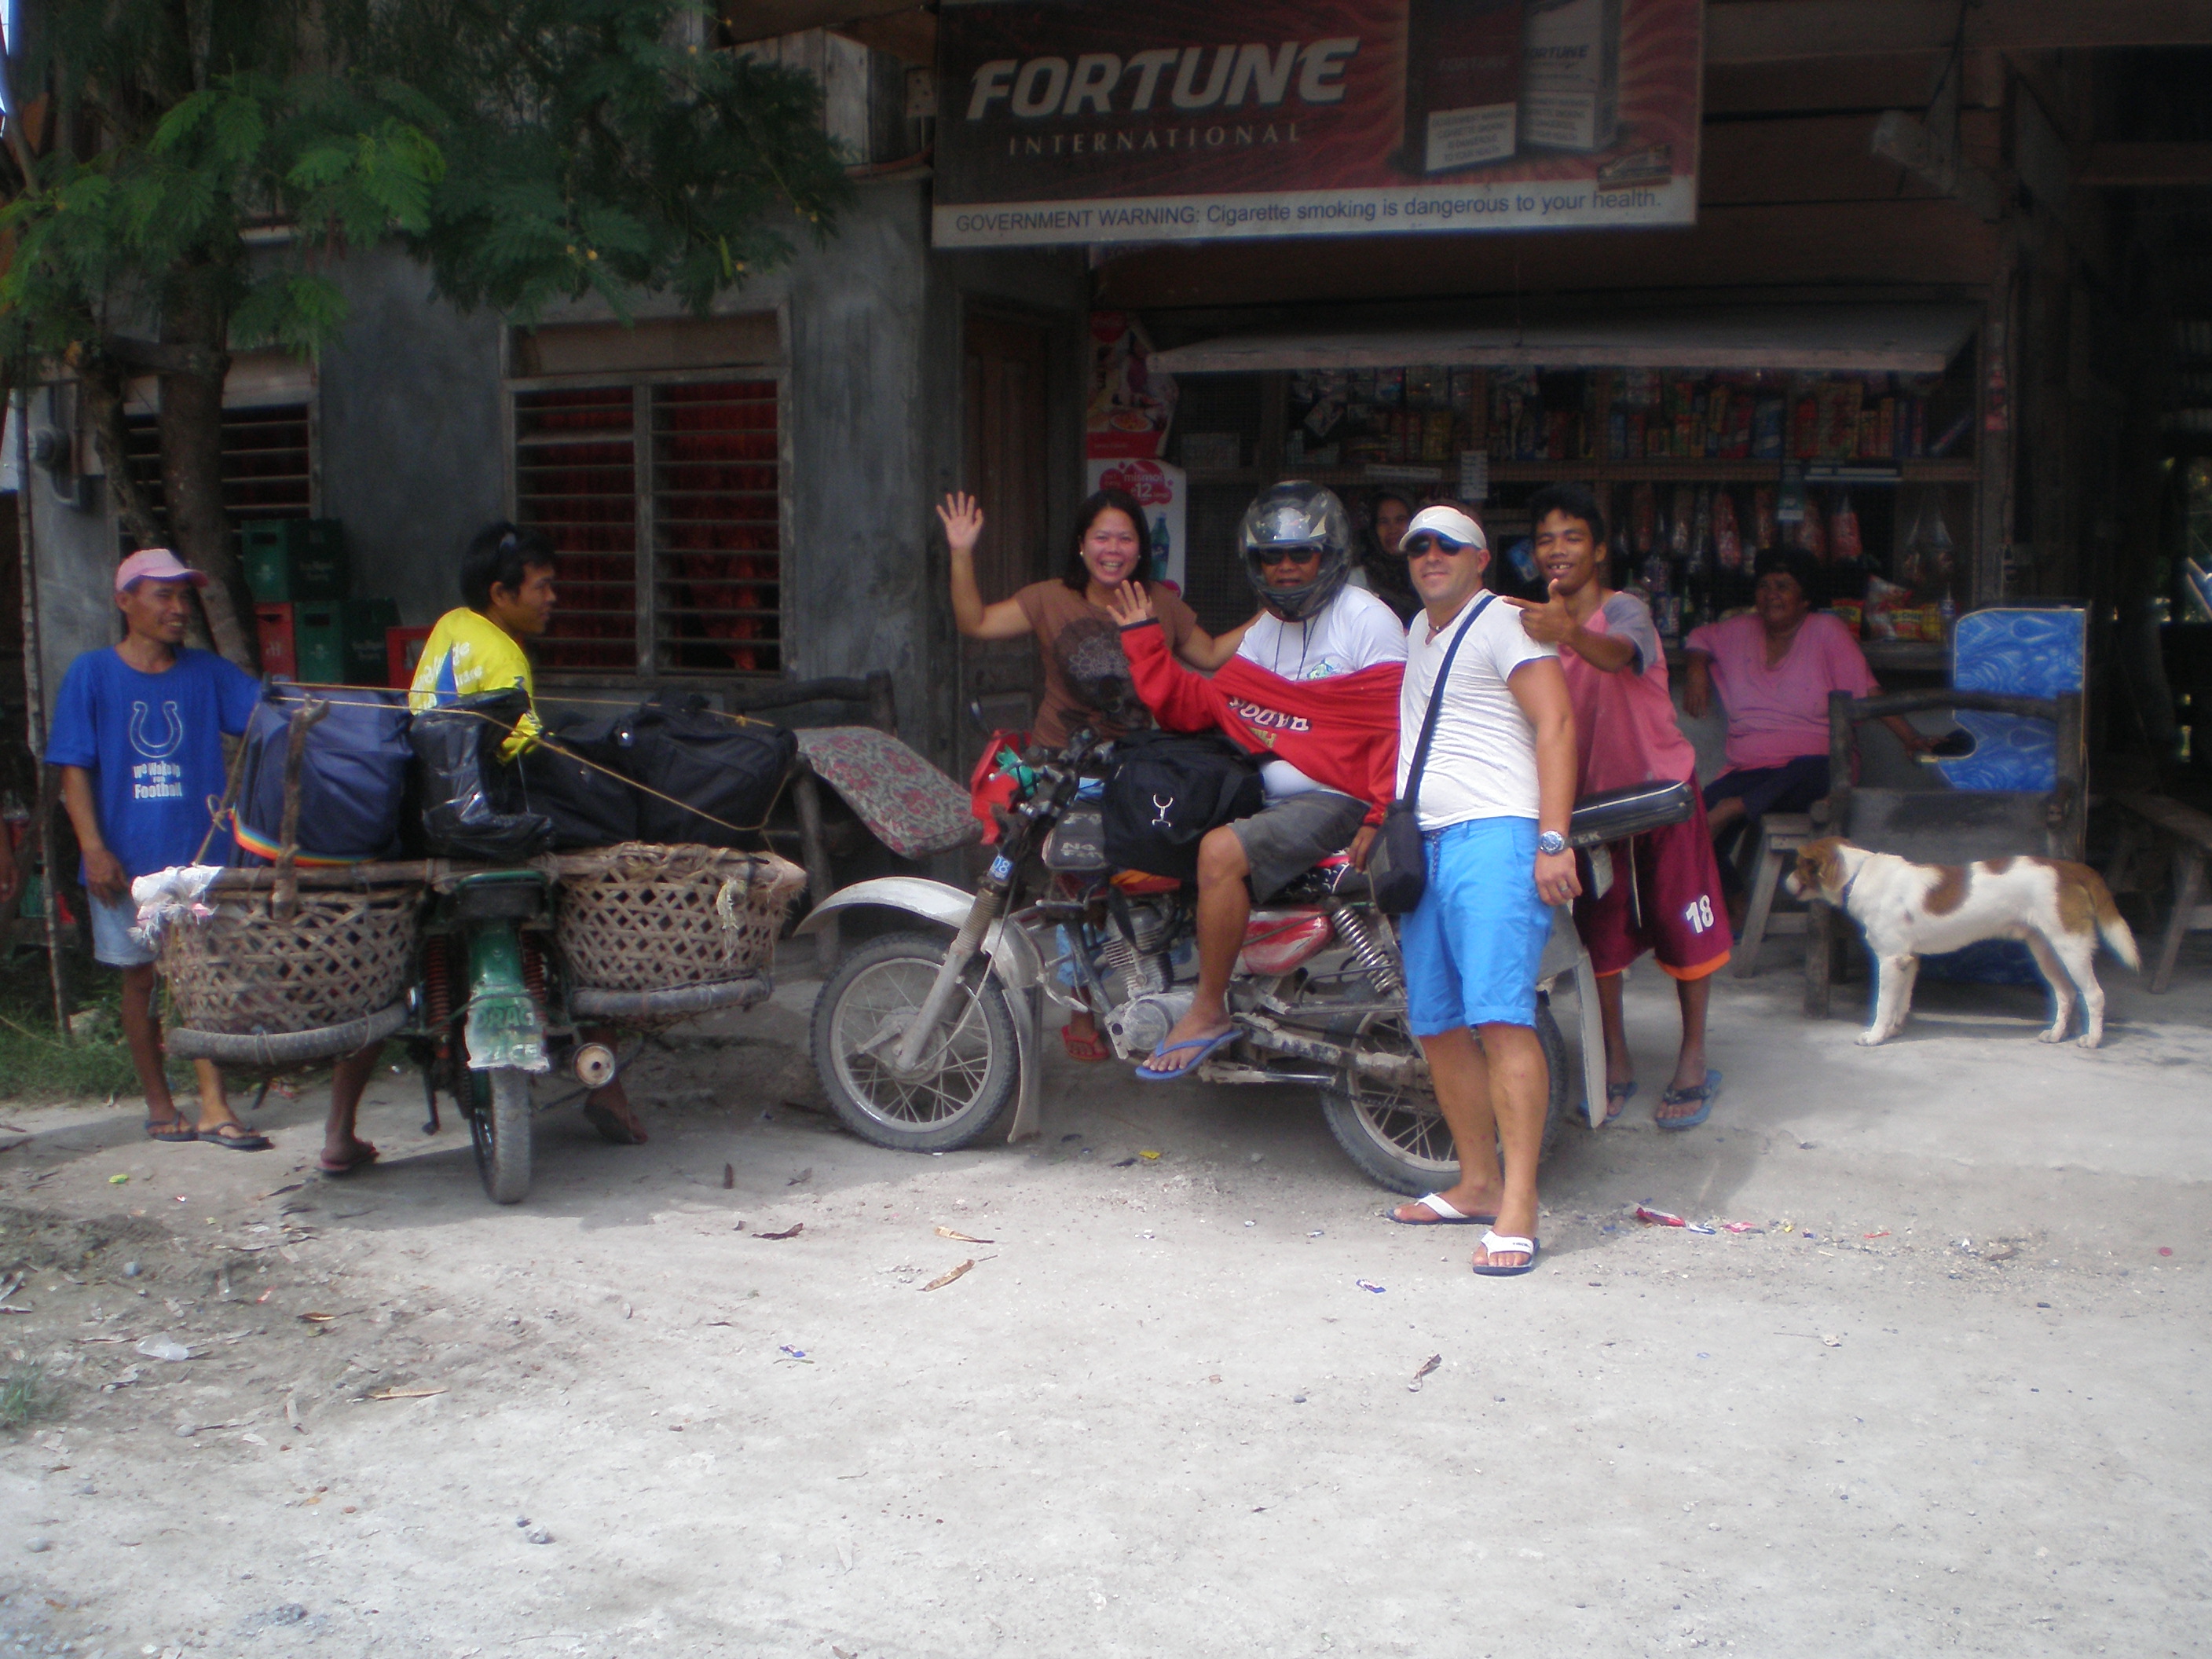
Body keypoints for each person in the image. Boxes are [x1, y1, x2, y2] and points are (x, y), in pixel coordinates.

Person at [1108, 482, 1406, 1081]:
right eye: (1272, 556)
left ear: (1331, 555)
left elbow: (1392, 729)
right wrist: (1145, 642)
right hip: (1268, 791)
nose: (1286, 567)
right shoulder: (1266, 629)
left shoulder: (1366, 620)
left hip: (1337, 796)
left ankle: (1208, 1009)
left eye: (1301, 553)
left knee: (1220, 852)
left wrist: (1379, 814)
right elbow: (1204, 707)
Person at [942, 488, 1250, 1061]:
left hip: (1139, 765)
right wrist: (962, 551)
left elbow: (1209, 655)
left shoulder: (1159, 601)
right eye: (1102, 537)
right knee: (1077, 890)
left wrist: (1274, 613)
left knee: (1152, 881)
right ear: (1082, 545)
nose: (1113, 549)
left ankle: (1159, 990)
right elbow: (974, 621)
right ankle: (1083, 1006)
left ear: (1140, 548)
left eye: (1125, 538)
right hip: (1064, 766)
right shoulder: (1047, 599)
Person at [375, 522, 648, 1155]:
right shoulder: (502, 655)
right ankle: (607, 1085)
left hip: (426, 824)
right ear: (501, 593)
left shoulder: (451, 627)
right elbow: (524, 753)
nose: (553, 598)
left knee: (388, 964)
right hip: (486, 826)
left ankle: (339, 1132)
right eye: (542, 586)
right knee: (589, 906)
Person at [1380, 505, 1579, 1277]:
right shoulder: (1416, 631)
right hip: (1425, 844)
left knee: (1500, 1017)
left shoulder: (1505, 623)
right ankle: (1476, 1183)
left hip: (1495, 836)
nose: (1430, 556)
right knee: (1436, 1023)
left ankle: (1519, 1205)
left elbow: (1555, 724)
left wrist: (1552, 841)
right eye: (1417, 547)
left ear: (1479, 558)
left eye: (1447, 546)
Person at [1506, 484, 1729, 1130]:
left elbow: (1617, 656)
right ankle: (1616, 1062)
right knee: (1601, 939)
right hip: (1589, 810)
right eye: (1545, 540)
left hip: (1661, 794)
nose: (1558, 550)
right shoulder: (1529, 630)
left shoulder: (1625, 609)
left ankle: (1693, 1058)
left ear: (1599, 551)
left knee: (1686, 927)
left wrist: (1569, 633)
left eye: (1572, 537)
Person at [46, 549, 282, 1148]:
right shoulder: (91, 674)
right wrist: (92, 848)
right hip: (123, 861)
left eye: (184, 597)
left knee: (202, 979)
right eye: (164, 596)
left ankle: (213, 1106)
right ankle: (159, 1102)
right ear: (125, 602)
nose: (179, 609)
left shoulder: (207, 672)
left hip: (200, 860)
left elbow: (273, 717)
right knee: (140, 982)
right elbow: (72, 770)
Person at [1682, 548, 1936, 905]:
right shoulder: (1739, 630)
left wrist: (1910, 737)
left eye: (1783, 586)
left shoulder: (1826, 631)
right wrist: (1696, 669)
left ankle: (1736, 807)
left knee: (1811, 770)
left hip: (1813, 771)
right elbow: (1699, 637)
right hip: (1750, 770)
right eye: (1765, 585)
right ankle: (1735, 901)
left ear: (1804, 600)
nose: (1771, 594)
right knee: (1687, 824)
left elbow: (1868, 692)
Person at [1349, 489, 1421, 623]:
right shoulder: (1359, 580)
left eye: (1400, 520)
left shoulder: (1428, 570)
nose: (1392, 530)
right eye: (1384, 521)